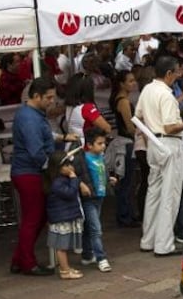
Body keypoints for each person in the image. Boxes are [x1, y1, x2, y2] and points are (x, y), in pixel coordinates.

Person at [134, 55, 183, 256]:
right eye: (177, 72)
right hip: (168, 143)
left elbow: (139, 117)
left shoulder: (147, 90)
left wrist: (149, 138)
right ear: (169, 73)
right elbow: (171, 127)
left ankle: (148, 239)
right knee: (169, 195)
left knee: (154, 193)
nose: (178, 75)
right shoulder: (166, 95)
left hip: (153, 142)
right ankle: (164, 244)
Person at [10, 77, 64, 276]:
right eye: (48, 98)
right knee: (33, 218)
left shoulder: (32, 114)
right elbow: (36, 151)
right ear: (36, 96)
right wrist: (53, 168)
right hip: (29, 172)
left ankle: (21, 258)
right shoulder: (29, 118)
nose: (51, 101)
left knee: (37, 217)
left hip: (29, 171)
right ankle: (27, 262)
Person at [73, 127, 115, 273]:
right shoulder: (82, 158)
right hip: (89, 198)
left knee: (90, 227)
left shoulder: (100, 157)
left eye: (104, 143)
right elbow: (74, 174)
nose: (103, 146)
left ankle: (87, 254)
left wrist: (109, 180)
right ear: (89, 145)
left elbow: (100, 174)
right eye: (99, 143)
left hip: (99, 196)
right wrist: (81, 184)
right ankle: (101, 258)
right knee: (96, 229)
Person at [44, 152, 84, 280]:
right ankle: (65, 270)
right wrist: (74, 179)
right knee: (61, 246)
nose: (70, 168)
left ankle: (65, 267)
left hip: (64, 216)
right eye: (66, 165)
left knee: (64, 245)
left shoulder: (60, 180)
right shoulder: (57, 183)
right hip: (61, 218)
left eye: (70, 164)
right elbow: (71, 193)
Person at [109, 69, 139, 228]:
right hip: (126, 142)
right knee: (126, 181)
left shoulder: (119, 99)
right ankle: (124, 215)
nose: (133, 83)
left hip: (123, 141)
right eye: (130, 81)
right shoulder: (123, 102)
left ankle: (126, 213)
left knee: (126, 181)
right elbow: (130, 126)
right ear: (122, 84)